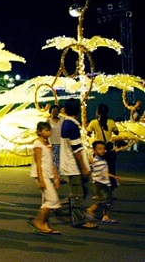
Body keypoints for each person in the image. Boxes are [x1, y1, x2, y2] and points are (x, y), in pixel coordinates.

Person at [60, 98, 98, 229]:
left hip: (71, 165)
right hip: (74, 167)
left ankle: (58, 208)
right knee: (77, 194)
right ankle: (79, 220)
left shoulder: (66, 123)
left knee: (78, 191)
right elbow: (76, 151)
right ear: (78, 111)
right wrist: (84, 168)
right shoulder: (72, 126)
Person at [28, 121, 62, 235]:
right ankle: (38, 221)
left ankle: (45, 223)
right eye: (46, 130)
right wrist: (41, 179)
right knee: (53, 199)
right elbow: (38, 163)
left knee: (47, 200)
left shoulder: (48, 143)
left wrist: (56, 177)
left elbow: (51, 162)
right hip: (41, 175)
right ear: (39, 132)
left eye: (49, 130)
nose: (49, 132)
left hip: (49, 174)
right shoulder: (38, 144)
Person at [86, 103, 119, 193]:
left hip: (99, 150)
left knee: (99, 169)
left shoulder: (93, 122)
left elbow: (88, 133)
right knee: (111, 169)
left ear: (97, 112)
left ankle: (100, 189)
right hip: (109, 150)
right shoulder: (111, 122)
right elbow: (117, 132)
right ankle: (110, 190)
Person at [86, 140, 119, 224]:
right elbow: (89, 169)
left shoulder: (102, 160)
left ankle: (105, 217)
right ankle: (90, 210)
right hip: (99, 184)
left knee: (107, 201)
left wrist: (113, 176)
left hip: (105, 183)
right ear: (94, 150)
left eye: (103, 149)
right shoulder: (95, 161)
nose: (102, 151)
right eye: (99, 149)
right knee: (102, 201)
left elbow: (104, 172)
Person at [47, 104, 64, 181]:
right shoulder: (48, 121)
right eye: (53, 111)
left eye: (57, 111)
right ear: (50, 112)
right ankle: (55, 177)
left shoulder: (62, 120)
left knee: (60, 161)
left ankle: (58, 177)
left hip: (61, 143)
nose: (55, 113)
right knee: (54, 161)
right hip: (52, 143)